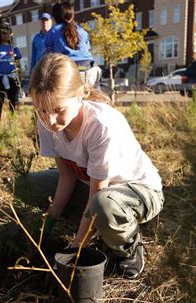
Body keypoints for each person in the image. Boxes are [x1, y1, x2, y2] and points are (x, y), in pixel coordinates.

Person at [19, 53, 164, 279]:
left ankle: (127, 245)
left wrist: (75, 251)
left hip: (138, 191)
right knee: (26, 186)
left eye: (58, 110)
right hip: (93, 187)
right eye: (42, 110)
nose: (50, 120)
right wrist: (50, 221)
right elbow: (67, 176)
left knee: (102, 206)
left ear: (79, 95)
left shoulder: (101, 126)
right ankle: (95, 225)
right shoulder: (47, 120)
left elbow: (98, 194)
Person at [44, 2, 101, 88]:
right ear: (71, 15)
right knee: (93, 99)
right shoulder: (82, 31)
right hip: (90, 70)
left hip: (69, 72)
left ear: (55, 17)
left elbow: (48, 57)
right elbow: (87, 50)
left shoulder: (52, 32)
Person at [0, 22, 22, 134]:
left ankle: (12, 124)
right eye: (2, 33)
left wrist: (20, 80)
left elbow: (18, 65)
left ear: (10, 34)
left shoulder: (14, 47)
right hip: (0, 79)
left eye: (7, 33)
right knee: (0, 102)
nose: (5, 35)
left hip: (12, 78)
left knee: (13, 101)